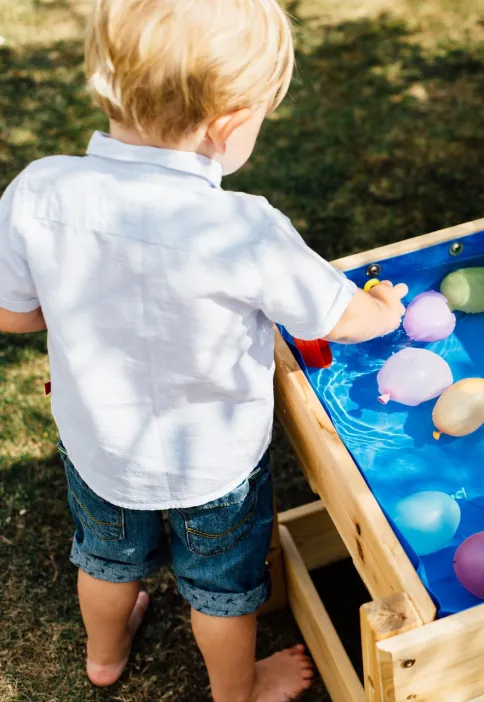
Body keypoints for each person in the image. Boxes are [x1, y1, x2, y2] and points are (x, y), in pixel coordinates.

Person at [0, 1, 408, 699]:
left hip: (99, 447)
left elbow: (12, 314)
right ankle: (236, 691)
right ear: (228, 122)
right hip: (215, 465)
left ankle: (104, 656)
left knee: (105, 560)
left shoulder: (40, 189)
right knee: (222, 590)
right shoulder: (243, 228)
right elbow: (339, 318)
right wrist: (385, 309)